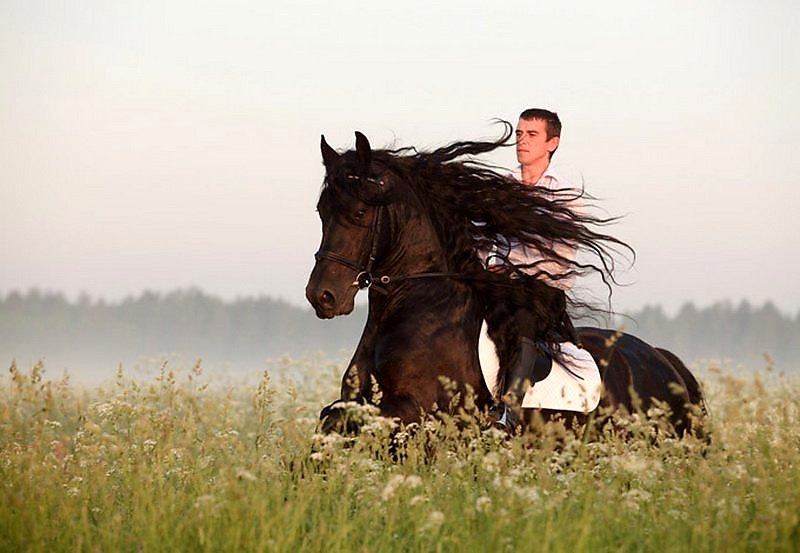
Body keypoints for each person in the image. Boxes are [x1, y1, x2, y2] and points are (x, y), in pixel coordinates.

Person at [487, 108, 581, 430]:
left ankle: (509, 412)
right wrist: (492, 263)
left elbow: (561, 253)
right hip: (501, 283)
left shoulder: (565, 193)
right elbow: (489, 237)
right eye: (519, 134)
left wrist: (515, 271)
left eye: (531, 135)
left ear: (551, 143)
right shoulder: (503, 187)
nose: (522, 141)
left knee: (523, 318)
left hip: (542, 290)